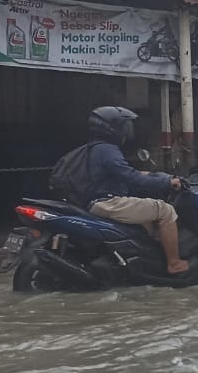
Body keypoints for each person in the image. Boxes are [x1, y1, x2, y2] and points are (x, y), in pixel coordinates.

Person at [80, 105, 189, 275]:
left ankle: (148, 260)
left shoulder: (96, 148)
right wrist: (166, 183)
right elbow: (133, 178)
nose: (128, 130)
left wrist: (157, 176)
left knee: (145, 220)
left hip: (101, 201)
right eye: (124, 126)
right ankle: (174, 263)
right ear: (112, 127)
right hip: (110, 202)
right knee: (166, 211)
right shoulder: (108, 150)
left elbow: (125, 172)